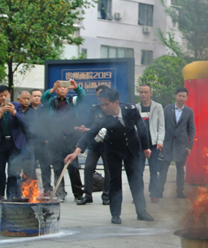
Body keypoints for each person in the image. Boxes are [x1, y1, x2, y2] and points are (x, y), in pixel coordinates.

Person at [65, 88, 154, 224]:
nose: (104, 108)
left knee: (136, 181)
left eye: (107, 104)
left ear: (116, 102)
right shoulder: (102, 117)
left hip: (132, 148)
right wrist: (76, 152)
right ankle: (115, 214)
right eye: (102, 105)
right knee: (114, 181)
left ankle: (141, 211)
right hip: (113, 149)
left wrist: (146, 147)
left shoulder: (130, 109)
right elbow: (90, 133)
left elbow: (141, 127)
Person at [42, 80, 84, 202]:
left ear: (67, 90)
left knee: (74, 167)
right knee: (57, 167)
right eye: (59, 88)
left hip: (70, 138)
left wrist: (76, 87)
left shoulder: (73, 101)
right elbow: (43, 99)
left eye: (64, 88)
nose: (62, 90)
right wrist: (52, 88)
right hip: (55, 139)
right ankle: (60, 193)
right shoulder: (51, 102)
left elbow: (82, 96)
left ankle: (78, 194)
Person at [0, 85, 27, 202]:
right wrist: (0, 115)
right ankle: (0, 195)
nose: (3, 98)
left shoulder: (17, 106)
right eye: (0, 96)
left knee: (13, 170)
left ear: (10, 95)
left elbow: (23, 123)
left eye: (5, 95)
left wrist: (14, 112)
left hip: (14, 143)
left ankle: (11, 196)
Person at [158, 87, 195, 199]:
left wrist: (189, 146)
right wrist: (160, 142)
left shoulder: (189, 111)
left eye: (184, 96)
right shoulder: (167, 109)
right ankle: (159, 191)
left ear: (187, 98)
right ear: (175, 96)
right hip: (167, 144)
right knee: (164, 169)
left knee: (180, 170)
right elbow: (161, 126)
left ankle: (180, 191)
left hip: (181, 145)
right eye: (179, 95)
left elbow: (191, 129)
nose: (181, 98)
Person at [76, 85, 110, 206]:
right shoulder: (94, 108)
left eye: (100, 95)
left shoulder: (111, 108)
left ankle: (106, 196)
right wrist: (85, 129)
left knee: (108, 170)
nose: (99, 99)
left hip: (107, 145)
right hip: (94, 145)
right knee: (88, 167)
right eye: (97, 96)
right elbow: (91, 126)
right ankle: (88, 195)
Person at [136, 84, 165, 203]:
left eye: (146, 92)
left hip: (153, 144)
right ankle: (137, 195)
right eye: (141, 92)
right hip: (139, 144)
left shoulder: (157, 107)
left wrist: (160, 141)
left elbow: (161, 126)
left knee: (153, 170)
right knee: (138, 170)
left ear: (150, 93)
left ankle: (154, 194)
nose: (143, 94)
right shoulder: (135, 108)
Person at [30, 89, 53, 194]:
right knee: (31, 166)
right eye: (34, 95)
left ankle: (47, 188)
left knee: (45, 166)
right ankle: (33, 188)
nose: (36, 98)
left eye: (39, 96)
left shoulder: (46, 109)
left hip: (44, 142)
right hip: (30, 142)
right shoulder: (26, 109)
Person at [17, 90, 37, 181]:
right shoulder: (13, 111)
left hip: (29, 144)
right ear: (18, 99)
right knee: (15, 170)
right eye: (24, 98)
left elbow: (31, 128)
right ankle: (16, 193)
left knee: (29, 170)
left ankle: (28, 192)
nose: (26, 101)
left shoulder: (33, 113)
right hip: (15, 144)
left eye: (28, 99)